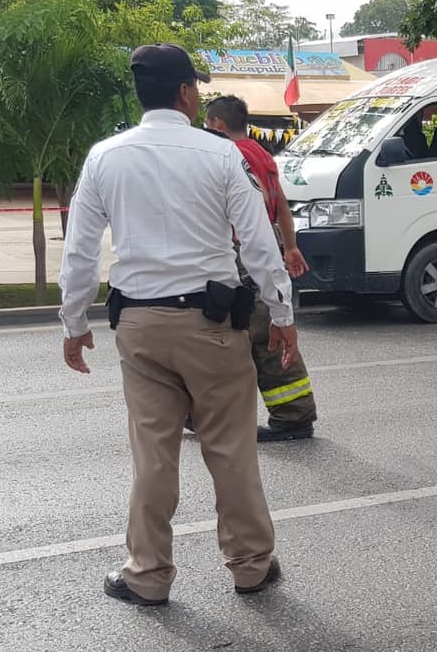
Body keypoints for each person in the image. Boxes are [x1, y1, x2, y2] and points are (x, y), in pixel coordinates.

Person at [59, 43, 296, 605]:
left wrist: (74, 323)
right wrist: (282, 314)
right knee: (230, 449)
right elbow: (260, 243)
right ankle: (251, 567)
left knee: (153, 452)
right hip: (212, 327)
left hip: (138, 325)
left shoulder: (105, 156)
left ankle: (146, 575)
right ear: (187, 93)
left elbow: (81, 251)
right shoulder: (220, 155)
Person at [203, 95, 318, 442]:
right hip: (264, 246)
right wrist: (290, 246)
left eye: (207, 125)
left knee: (257, 332)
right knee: (259, 328)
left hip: (244, 251)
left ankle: (293, 416)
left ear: (217, 125)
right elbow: (280, 202)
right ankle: (290, 413)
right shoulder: (260, 154)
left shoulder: (228, 156)